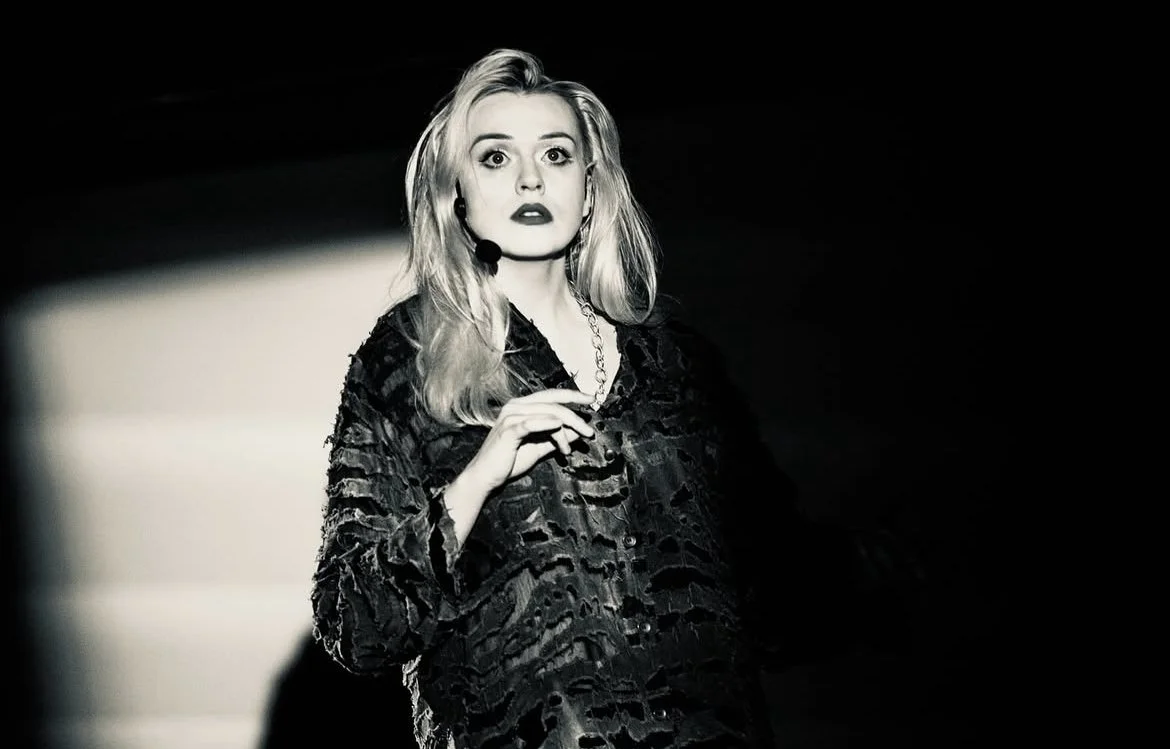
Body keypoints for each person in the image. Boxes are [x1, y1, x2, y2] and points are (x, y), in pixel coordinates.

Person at [311, 48, 919, 749]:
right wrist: (478, 477)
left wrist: (900, 565)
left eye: (557, 154)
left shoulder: (676, 363)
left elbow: (777, 585)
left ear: (592, 187)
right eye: (496, 158)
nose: (531, 177)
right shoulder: (409, 357)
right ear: (456, 193)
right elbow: (353, 623)